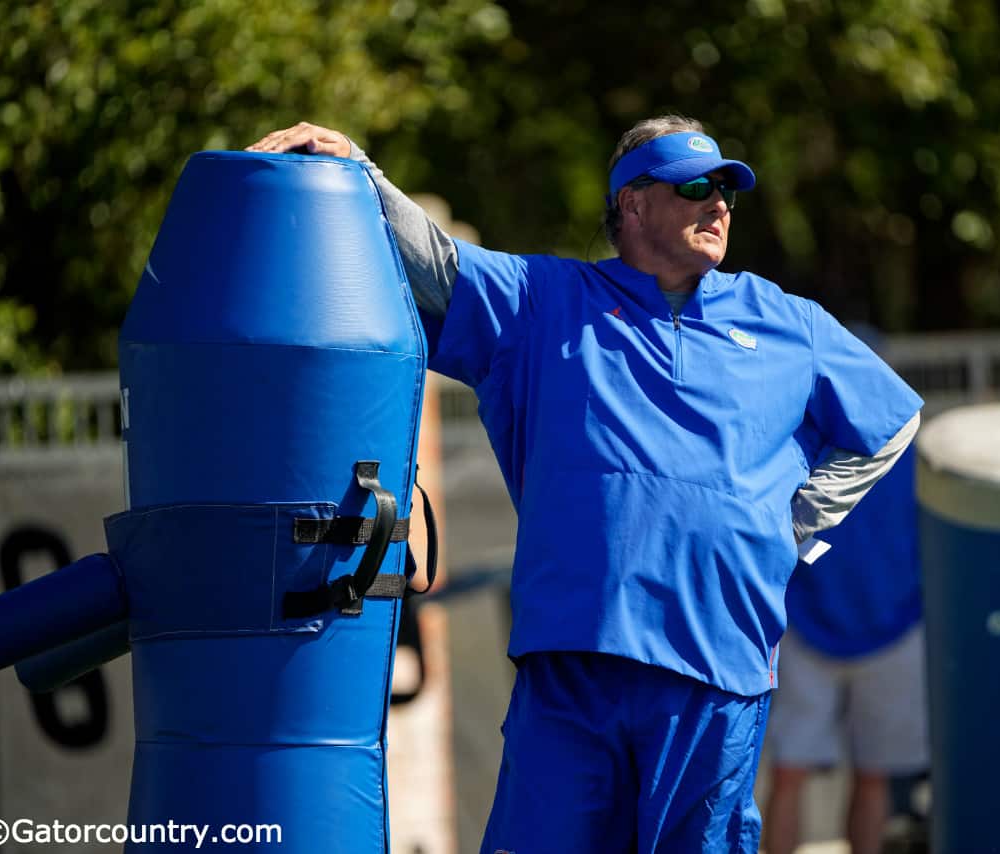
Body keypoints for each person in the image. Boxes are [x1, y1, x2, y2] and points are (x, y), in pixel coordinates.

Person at [247, 116, 922, 854]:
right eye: (695, 186)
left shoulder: (788, 320)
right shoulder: (544, 299)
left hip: (716, 664)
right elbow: (434, 260)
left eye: (727, 189)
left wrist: (791, 522)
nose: (719, 204)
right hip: (572, 662)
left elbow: (891, 422)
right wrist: (357, 169)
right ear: (632, 205)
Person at [763, 437, 929, 854]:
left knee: (873, 775)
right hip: (806, 630)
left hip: (891, 632)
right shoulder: (801, 442)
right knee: (789, 773)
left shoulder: (909, 448)